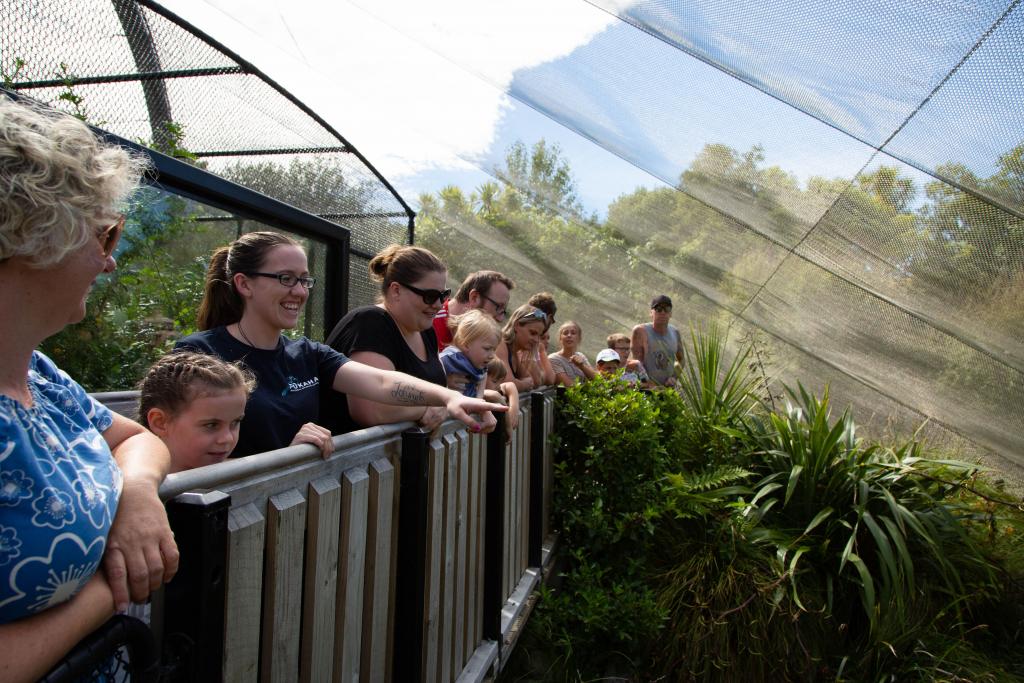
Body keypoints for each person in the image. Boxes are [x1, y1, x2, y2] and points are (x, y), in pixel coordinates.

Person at [0, 96, 178, 681]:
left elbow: (135, 439)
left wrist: (137, 495)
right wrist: (111, 589)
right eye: (106, 236)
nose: (110, 263)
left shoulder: (39, 372)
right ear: (31, 234)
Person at [177, 234, 503, 457]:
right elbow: (181, 451)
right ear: (244, 283)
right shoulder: (200, 356)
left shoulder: (307, 354)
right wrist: (285, 458)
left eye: (304, 279)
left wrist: (450, 398)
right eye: (285, 278)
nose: (300, 291)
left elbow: (380, 382)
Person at [325, 244, 458, 434]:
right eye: (430, 296)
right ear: (396, 290)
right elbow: (370, 410)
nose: (438, 305)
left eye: (443, 295)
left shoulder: (425, 330)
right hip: (355, 460)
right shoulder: (370, 323)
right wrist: (424, 409)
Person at [137, 351, 256, 472]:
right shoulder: (129, 486)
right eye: (211, 425)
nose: (228, 438)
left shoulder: (241, 476)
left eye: (235, 422)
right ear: (160, 422)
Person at [433, 270, 515, 351]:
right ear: (474, 298)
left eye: (503, 311)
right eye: (498, 307)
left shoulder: (478, 343)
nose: (501, 319)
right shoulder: (429, 326)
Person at [439, 309, 501, 399]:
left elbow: (484, 374)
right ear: (466, 344)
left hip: (469, 406)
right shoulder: (451, 358)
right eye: (487, 349)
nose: (492, 356)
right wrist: (443, 380)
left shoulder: (479, 363)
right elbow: (431, 371)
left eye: (493, 349)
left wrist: (479, 398)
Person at [631, 295, 685, 387]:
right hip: (645, 390)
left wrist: (674, 377)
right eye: (658, 309)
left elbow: (681, 360)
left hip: (668, 389)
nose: (663, 312)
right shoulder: (640, 331)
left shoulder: (675, 332)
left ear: (671, 313)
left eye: (667, 309)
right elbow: (637, 364)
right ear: (651, 312)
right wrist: (649, 385)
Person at [496, 305, 550, 392]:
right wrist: (523, 384)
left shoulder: (514, 352)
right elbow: (508, 383)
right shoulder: (500, 344)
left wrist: (531, 358)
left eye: (539, 336)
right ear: (517, 325)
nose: (536, 340)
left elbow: (533, 382)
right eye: (532, 333)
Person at [549, 321, 596, 386]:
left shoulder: (581, 355)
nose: (569, 335)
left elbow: (597, 379)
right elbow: (570, 387)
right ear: (560, 338)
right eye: (565, 333)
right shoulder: (553, 359)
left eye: (573, 333)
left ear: (579, 338)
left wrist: (582, 366)